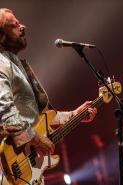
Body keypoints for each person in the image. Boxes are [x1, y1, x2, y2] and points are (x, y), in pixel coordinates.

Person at [0, 8, 97, 184]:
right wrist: (37, 140)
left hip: (27, 169)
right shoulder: (1, 63)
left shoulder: (15, 64)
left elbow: (38, 118)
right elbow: (5, 111)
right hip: (7, 166)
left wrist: (75, 114)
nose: (22, 26)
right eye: (14, 24)